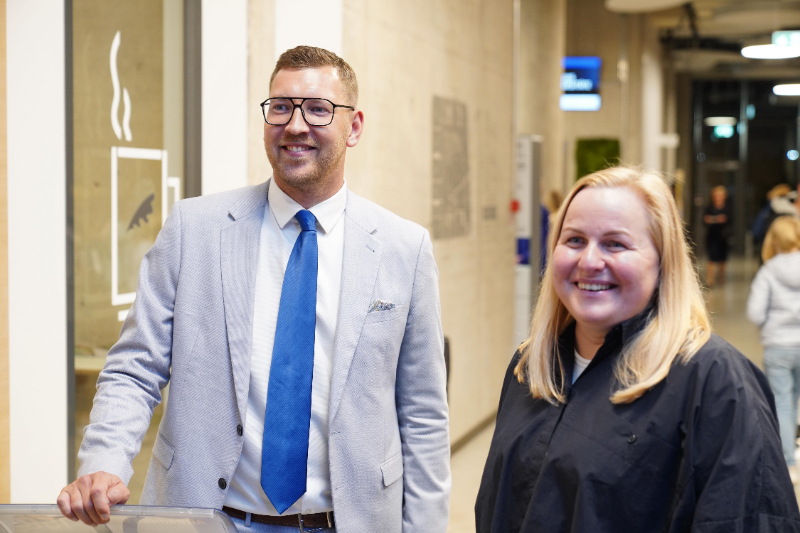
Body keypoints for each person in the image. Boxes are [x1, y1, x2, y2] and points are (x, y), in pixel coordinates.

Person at [57, 46, 450, 533]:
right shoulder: (194, 229)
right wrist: (104, 462)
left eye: (319, 109)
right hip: (209, 519)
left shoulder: (403, 249)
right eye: (281, 107)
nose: (295, 125)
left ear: (354, 127)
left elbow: (423, 415)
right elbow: (135, 366)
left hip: (346, 522)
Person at [475, 166, 800, 532]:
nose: (589, 261)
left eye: (615, 244)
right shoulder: (531, 366)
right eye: (575, 240)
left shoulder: (715, 382)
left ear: (663, 261)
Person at [747, 216, 800, 483]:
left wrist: (773, 322)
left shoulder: (768, 271)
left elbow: (755, 312)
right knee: (796, 399)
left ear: (774, 240)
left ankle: (789, 462)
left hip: (778, 346)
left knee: (782, 401)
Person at [703, 185, 731, 287]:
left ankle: (721, 277)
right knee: (711, 258)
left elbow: (728, 220)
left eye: (720, 195)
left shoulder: (727, 208)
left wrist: (713, 219)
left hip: (723, 236)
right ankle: (710, 280)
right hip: (712, 236)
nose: (718, 197)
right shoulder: (709, 207)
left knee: (722, 259)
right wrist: (716, 219)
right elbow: (704, 219)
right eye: (716, 195)